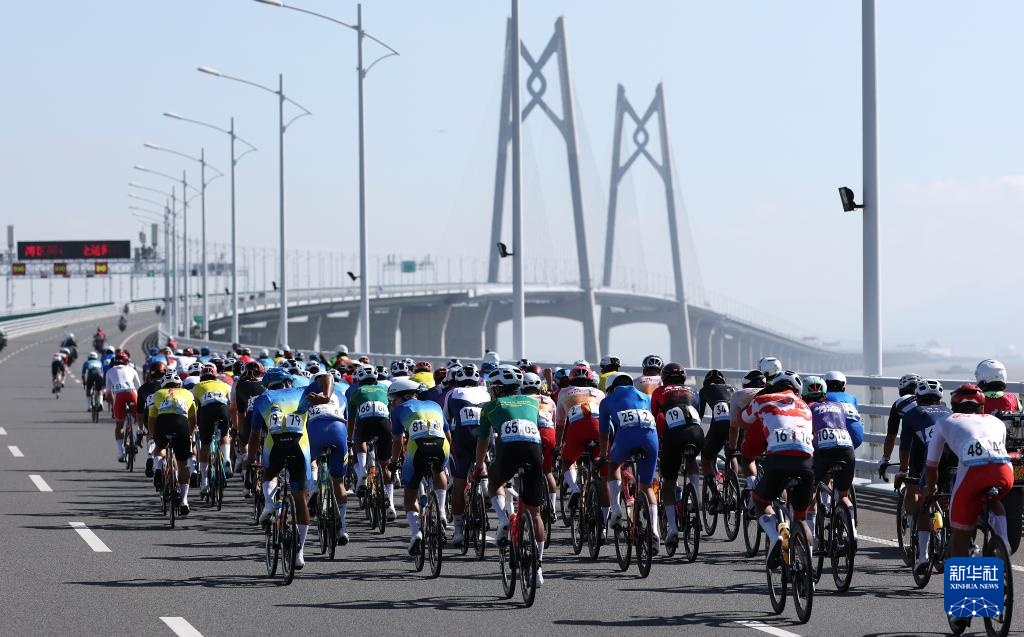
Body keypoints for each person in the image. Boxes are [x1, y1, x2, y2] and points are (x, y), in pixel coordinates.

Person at [926, 383, 1015, 633]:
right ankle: (1003, 549)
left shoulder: (944, 421)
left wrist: (930, 491)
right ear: (981, 406)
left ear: (955, 406)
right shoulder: (995, 421)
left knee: (960, 535)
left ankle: (962, 609)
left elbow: (931, 466)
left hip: (973, 475)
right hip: (1004, 473)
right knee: (993, 498)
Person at [474, 364, 547, 585]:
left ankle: (504, 520)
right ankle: (538, 568)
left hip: (508, 451)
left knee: (494, 483)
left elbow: (483, 441)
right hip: (534, 451)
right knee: (535, 513)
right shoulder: (532, 402)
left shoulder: (490, 407)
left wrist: (479, 466)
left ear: (498, 388)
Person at [740, 371, 814, 568]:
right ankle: (808, 568)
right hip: (806, 463)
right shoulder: (805, 405)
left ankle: (776, 536)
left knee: (760, 501)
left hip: (778, 460)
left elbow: (743, 420)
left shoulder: (762, 399)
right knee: (801, 518)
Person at [252, 368, 313, 569]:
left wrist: (250, 459)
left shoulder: (262, 399)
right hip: (300, 448)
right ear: (288, 382)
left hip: (274, 447)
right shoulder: (302, 391)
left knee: (269, 473)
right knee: (300, 499)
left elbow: (254, 434)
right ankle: (299, 553)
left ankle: (269, 504)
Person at [600, 372, 661, 551]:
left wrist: (603, 455)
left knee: (613, 465)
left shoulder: (607, 401)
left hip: (626, 437)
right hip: (651, 438)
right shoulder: (645, 396)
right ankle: (654, 530)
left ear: (611, 388)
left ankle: (616, 509)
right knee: (647, 487)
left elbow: (604, 432)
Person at [389, 378, 451, 554]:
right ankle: (441, 511)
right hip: (442, 446)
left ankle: (416, 533)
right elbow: (448, 435)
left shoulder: (398, 410)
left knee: (410, 495)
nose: (393, 403)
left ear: (402, 397)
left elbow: (397, 441)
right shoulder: (434, 405)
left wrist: (394, 462)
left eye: (393, 400)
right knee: (438, 470)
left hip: (417, 449)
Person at [802, 376, 863, 550]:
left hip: (823, 452)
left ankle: (812, 540)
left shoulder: (807, 408)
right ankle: (852, 530)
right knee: (843, 496)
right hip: (847, 449)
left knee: (811, 492)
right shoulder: (838, 406)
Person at [900, 379, 954, 575]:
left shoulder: (913, 413)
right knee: (951, 497)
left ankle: (923, 557)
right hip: (955, 456)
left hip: (934, 457)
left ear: (918, 398)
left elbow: (905, 448)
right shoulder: (950, 412)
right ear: (940, 399)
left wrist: (903, 471)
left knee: (925, 501)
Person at [650, 363, 700, 547]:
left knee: (668, 483)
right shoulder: (694, 391)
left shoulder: (659, 391)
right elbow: (699, 413)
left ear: (664, 378)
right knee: (691, 459)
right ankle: (696, 497)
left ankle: (672, 527)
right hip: (696, 434)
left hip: (673, 436)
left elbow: (655, 417)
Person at [300, 369, 351, 545]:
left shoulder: (307, 394)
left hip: (315, 430)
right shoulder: (341, 396)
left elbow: (301, 419)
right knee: (339, 482)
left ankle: (314, 486)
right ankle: (342, 527)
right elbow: (347, 420)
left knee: (309, 459)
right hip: (338, 431)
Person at [443, 364, 490, 548]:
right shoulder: (486, 393)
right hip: (484, 439)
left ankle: (458, 531)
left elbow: (446, 419)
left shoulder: (452, 393)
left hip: (463, 440)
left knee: (460, 481)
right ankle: (485, 487)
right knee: (484, 459)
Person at [555, 365, 606, 520]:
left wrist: (558, 446)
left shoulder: (563, 392)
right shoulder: (599, 393)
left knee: (567, 461)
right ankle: (604, 518)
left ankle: (575, 489)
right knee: (600, 465)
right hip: (598, 427)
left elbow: (560, 423)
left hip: (576, 428)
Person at [349, 363, 396, 519]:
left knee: (360, 440)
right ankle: (391, 505)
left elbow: (351, 420)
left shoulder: (356, 392)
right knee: (385, 466)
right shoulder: (384, 389)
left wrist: (350, 438)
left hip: (365, 423)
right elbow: (391, 413)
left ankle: (362, 470)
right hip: (384, 425)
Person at [148, 371, 197, 516]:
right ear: (179, 384)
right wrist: (189, 435)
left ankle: (158, 468)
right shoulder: (188, 393)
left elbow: (151, 419)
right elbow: (193, 419)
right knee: (182, 464)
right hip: (181, 424)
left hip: (163, 423)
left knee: (160, 447)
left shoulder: (158, 394)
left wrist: (153, 436)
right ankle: (184, 501)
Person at [192, 364, 232, 497]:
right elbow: (230, 404)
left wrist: (196, 425)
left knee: (205, 445)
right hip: (223, 410)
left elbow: (195, 408)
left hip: (207, 411)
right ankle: (227, 459)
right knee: (225, 433)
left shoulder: (197, 387)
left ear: (201, 377)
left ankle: (204, 481)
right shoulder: (225, 385)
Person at [522, 372, 558, 521]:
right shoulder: (549, 400)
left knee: (526, 470)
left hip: (532, 433)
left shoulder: (522, 400)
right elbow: (554, 422)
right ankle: (553, 509)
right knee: (548, 471)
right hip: (549, 433)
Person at [696, 368, 735, 507]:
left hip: (719, 426)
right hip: (736, 426)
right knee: (732, 453)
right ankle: (733, 490)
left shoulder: (704, 390)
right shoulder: (732, 389)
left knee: (706, 459)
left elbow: (699, 416)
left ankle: (716, 493)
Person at [878, 373, 920, 478]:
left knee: (911, 483)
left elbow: (891, 437)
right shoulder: (932, 400)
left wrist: (885, 459)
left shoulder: (899, 403)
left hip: (919, 447)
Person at [105, 354, 141, 462]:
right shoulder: (131, 369)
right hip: (132, 393)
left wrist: (113, 406)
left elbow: (108, 393)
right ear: (126, 362)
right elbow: (139, 388)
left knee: (119, 425)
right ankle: (137, 436)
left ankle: (120, 453)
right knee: (138, 418)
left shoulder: (109, 371)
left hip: (119, 396)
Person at [136, 361, 166, 477]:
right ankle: (159, 465)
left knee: (151, 435)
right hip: (165, 414)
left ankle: (150, 455)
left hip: (149, 415)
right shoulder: (168, 386)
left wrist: (140, 430)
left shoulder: (143, 388)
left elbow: (139, 413)